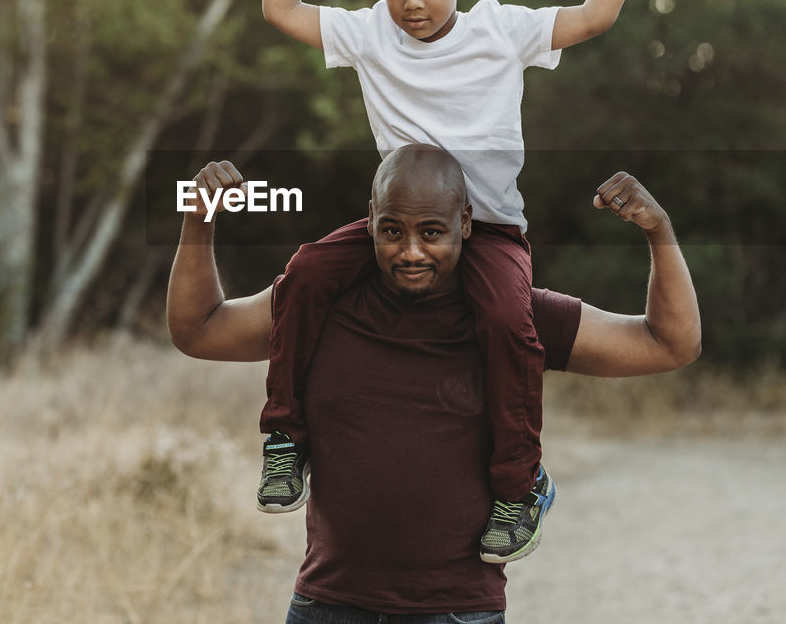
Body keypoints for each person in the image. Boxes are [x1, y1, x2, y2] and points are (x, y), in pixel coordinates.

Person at [257, 0, 645, 563]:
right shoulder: (369, 33)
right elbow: (283, 10)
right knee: (308, 272)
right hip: (397, 224)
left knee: (505, 320)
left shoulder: (502, 29)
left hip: (489, 227)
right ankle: (286, 438)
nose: (411, 3)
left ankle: (518, 485)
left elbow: (593, 17)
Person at [166, 147, 700, 622]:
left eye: (432, 232)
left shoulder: (513, 317)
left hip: (456, 611)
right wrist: (198, 219)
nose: (411, 252)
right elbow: (200, 329)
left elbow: (668, 344)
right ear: (370, 221)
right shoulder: (320, 304)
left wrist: (660, 232)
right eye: (393, 231)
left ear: (465, 224)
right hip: (326, 604)